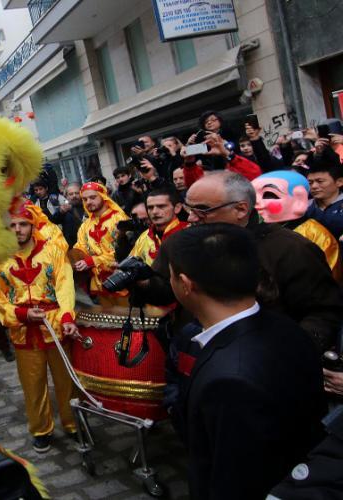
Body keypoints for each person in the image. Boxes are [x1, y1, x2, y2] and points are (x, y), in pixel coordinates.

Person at [166, 223, 326, 500]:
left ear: (186, 284)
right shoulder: (287, 327)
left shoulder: (230, 380)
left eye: (169, 275)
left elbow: (235, 480)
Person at [140, 171, 343, 351]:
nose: (191, 218)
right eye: (189, 209)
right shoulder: (180, 243)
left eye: (202, 210)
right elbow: (164, 291)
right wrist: (142, 283)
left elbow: (322, 313)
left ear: (241, 209)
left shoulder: (290, 249)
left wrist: (286, 355)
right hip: (192, 358)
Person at [0, 198, 78, 453]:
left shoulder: (53, 252)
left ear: (32, 225)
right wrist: (21, 313)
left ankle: (72, 423)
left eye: (23, 224)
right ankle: (41, 429)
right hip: (23, 332)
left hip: (56, 328)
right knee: (32, 384)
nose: (18, 229)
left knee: (66, 381)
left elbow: (65, 285)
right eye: (12, 225)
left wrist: (67, 317)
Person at [252, 170, 341, 279]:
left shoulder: (318, 236)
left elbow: (327, 279)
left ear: (298, 199)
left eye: (269, 195)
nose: (258, 202)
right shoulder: (251, 228)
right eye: (254, 196)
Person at [72, 182, 129, 301]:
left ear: (103, 196)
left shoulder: (119, 220)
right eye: (85, 199)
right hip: (98, 288)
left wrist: (93, 261)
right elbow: (80, 249)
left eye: (93, 197)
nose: (88, 202)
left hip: (123, 286)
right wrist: (72, 259)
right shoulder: (85, 226)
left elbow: (125, 253)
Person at [129, 186, 188, 266]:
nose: (154, 212)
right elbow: (132, 263)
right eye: (150, 208)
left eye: (161, 206)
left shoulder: (189, 233)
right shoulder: (144, 237)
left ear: (177, 208)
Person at [305, 161, 343, 239]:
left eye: (320, 181)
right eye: (310, 182)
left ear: (339, 182)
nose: (314, 186)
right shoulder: (304, 207)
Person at [50, 182, 85, 247]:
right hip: (72, 247)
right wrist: (60, 212)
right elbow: (53, 221)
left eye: (77, 193)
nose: (74, 196)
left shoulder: (88, 206)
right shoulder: (64, 209)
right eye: (71, 194)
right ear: (66, 196)